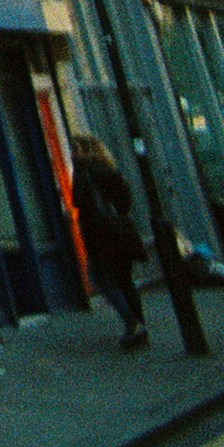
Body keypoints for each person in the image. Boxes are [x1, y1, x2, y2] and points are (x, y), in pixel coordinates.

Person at [70, 133, 153, 350]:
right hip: (120, 233)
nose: (72, 153)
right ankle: (139, 324)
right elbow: (125, 203)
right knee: (125, 280)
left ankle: (132, 323)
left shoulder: (85, 173)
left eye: (75, 149)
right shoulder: (109, 170)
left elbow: (77, 201)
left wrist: (78, 169)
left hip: (99, 234)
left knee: (103, 280)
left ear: (84, 151)